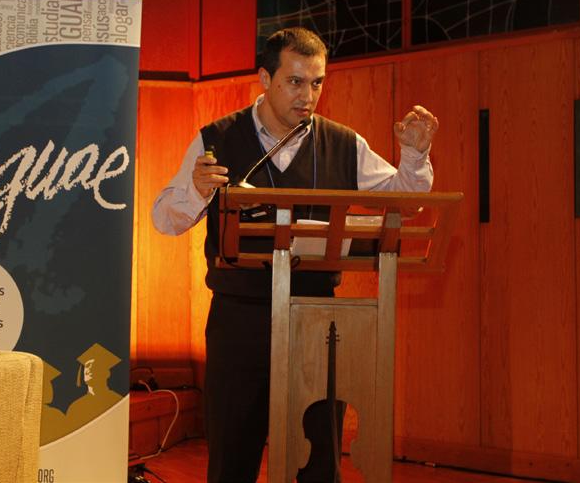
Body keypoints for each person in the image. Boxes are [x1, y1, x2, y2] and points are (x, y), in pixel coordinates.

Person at [152, 27, 437, 483]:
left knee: (319, 456)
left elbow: (402, 201)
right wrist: (196, 190)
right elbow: (164, 219)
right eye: (295, 82)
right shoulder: (217, 139)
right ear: (265, 78)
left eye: (317, 82)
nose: (308, 96)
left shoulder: (343, 143)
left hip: (318, 318)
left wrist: (414, 157)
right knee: (232, 454)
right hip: (239, 318)